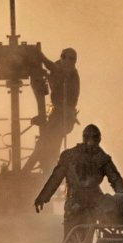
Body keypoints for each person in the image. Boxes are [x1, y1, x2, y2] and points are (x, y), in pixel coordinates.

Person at [34, 123, 123, 241]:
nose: (91, 142)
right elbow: (56, 178)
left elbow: (115, 179)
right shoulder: (84, 157)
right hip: (78, 207)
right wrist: (43, 197)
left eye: (93, 139)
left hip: (85, 208)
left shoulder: (96, 158)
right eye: (90, 138)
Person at [28, 47, 81, 175]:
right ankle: (47, 168)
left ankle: (50, 171)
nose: (66, 60)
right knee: (45, 143)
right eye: (63, 57)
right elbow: (54, 72)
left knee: (50, 144)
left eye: (70, 58)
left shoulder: (71, 74)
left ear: (74, 61)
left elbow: (55, 75)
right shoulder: (60, 68)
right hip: (57, 116)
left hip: (63, 118)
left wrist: (40, 56)